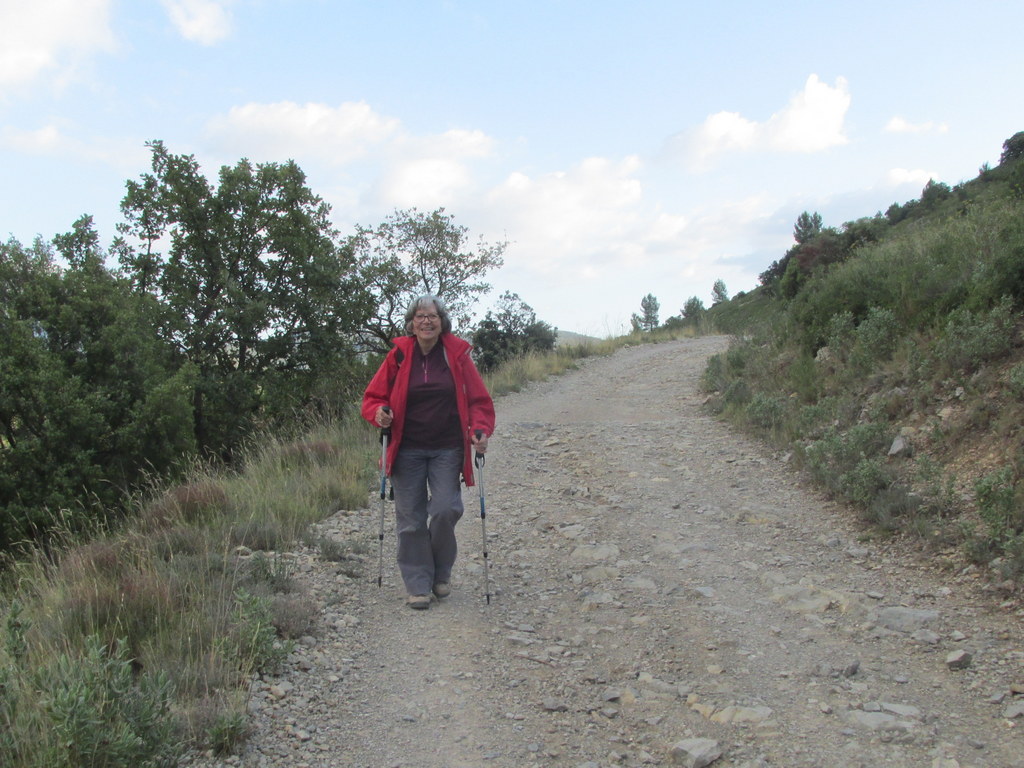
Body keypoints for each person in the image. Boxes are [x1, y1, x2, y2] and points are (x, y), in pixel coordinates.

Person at [361, 295, 496, 609]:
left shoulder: (457, 356)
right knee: (410, 519)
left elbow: (479, 401)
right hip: (406, 448)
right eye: (420, 316)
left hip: (447, 447)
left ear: (442, 321)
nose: (426, 321)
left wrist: (480, 429)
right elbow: (373, 398)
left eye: (432, 316)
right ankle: (419, 583)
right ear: (411, 323)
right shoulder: (398, 356)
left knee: (446, 509)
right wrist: (379, 412)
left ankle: (441, 571)